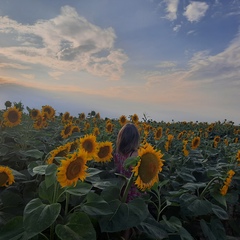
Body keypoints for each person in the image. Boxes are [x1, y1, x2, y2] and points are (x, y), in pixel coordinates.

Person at [114, 123, 142, 202]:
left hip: (122, 190)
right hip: (134, 193)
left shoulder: (117, 153)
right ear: (135, 139)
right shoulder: (135, 155)